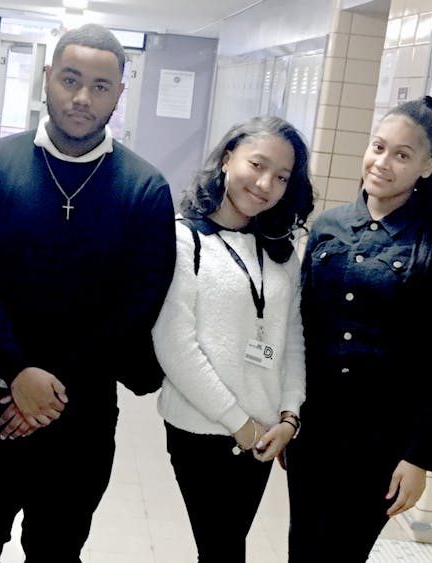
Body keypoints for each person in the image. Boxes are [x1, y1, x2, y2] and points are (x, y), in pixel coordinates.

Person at [0, 23, 176, 562]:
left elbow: (139, 303)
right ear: (47, 79)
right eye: (70, 79)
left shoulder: (143, 188)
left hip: (81, 414)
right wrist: (20, 371)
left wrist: (49, 388)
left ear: (119, 93)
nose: (81, 97)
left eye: (100, 86)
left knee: (57, 550)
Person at [287, 96, 432, 562]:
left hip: (383, 440)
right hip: (315, 430)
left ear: (427, 166)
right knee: (303, 546)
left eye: (402, 155)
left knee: (343, 552)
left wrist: (419, 457)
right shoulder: (330, 225)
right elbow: (301, 329)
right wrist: (288, 413)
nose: (383, 163)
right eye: (378, 147)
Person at [153, 117, 314, 562]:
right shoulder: (184, 237)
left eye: (281, 177)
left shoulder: (281, 249)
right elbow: (175, 345)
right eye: (256, 165)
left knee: (226, 547)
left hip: (264, 430)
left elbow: (293, 338)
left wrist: (289, 416)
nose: (265, 184)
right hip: (203, 428)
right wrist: (240, 425)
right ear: (227, 160)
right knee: (223, 548)